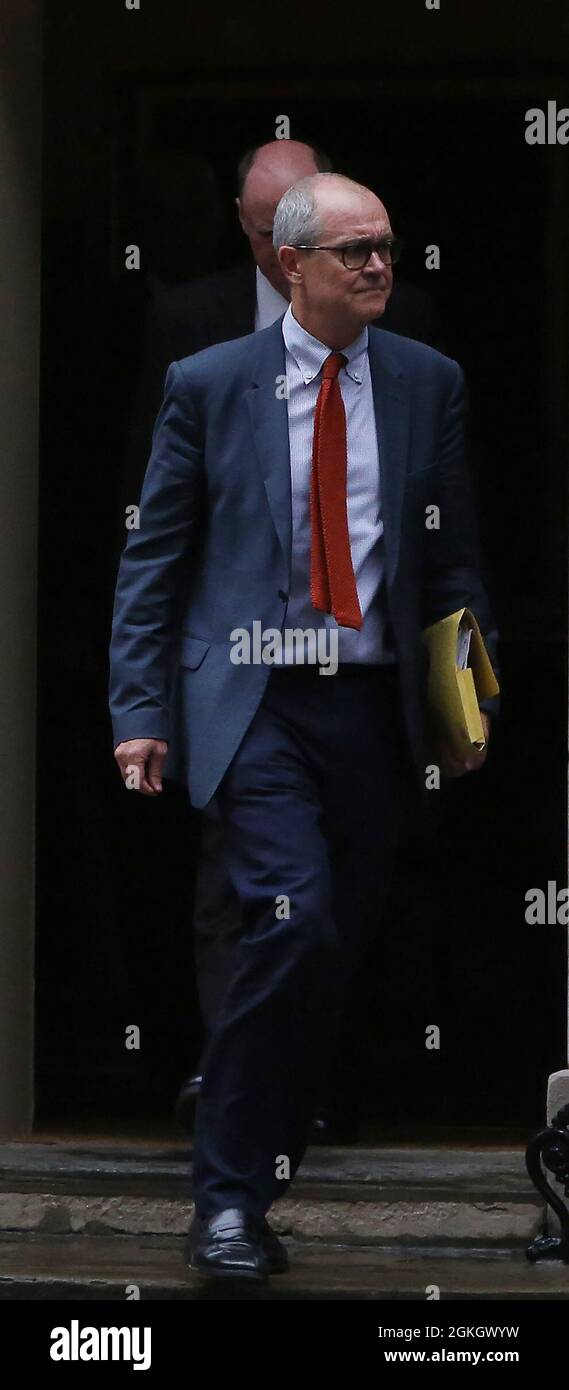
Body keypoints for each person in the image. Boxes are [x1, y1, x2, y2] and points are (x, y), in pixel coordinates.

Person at [109, 172, 499, 1283]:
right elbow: (155, 560)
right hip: (254, 703)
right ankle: (226, 1201)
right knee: (292, 920)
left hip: (368, 707)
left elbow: (452, 560)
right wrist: (139, 707)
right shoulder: (208, 382)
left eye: (385, 247)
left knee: (328, 949)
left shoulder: (427, 381)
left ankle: (248, 1158)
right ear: (293, 267)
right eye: (354, 252)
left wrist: (466, 696)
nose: (379, 266)